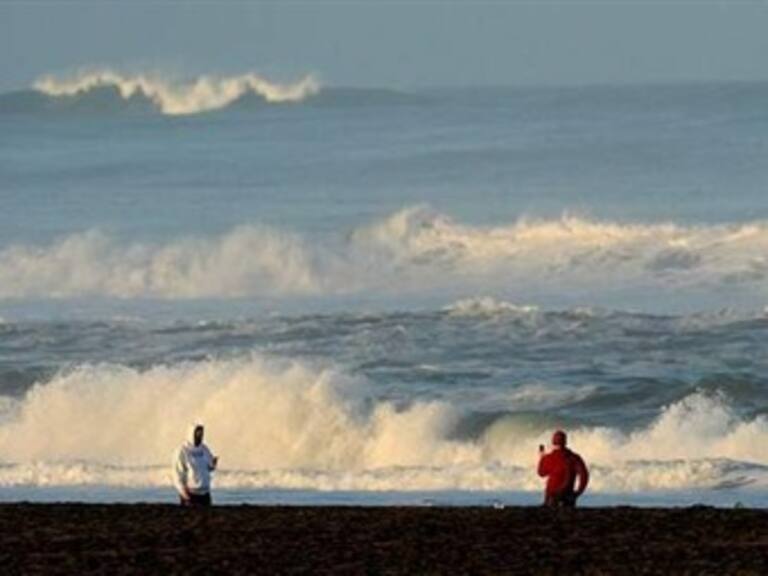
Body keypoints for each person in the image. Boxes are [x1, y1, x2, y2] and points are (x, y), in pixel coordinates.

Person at [537, 429, 589, 508]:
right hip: (567, 495)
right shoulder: (574, 458)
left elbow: (541, 473)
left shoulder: (548, 458)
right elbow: (584, 476)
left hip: (551, 496)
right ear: (565, 442)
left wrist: (541, 458)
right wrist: (578, 493)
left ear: (553, 442)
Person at [172, 423, 218, 506]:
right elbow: (177, 472)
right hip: (190, 493)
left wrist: (213, 464)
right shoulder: (183, 450)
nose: (200, 436)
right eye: (198, 434)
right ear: (192, 433)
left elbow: (209, 467)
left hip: (205, 492)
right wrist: (182, 490)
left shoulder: (204, 448)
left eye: (201, 434)